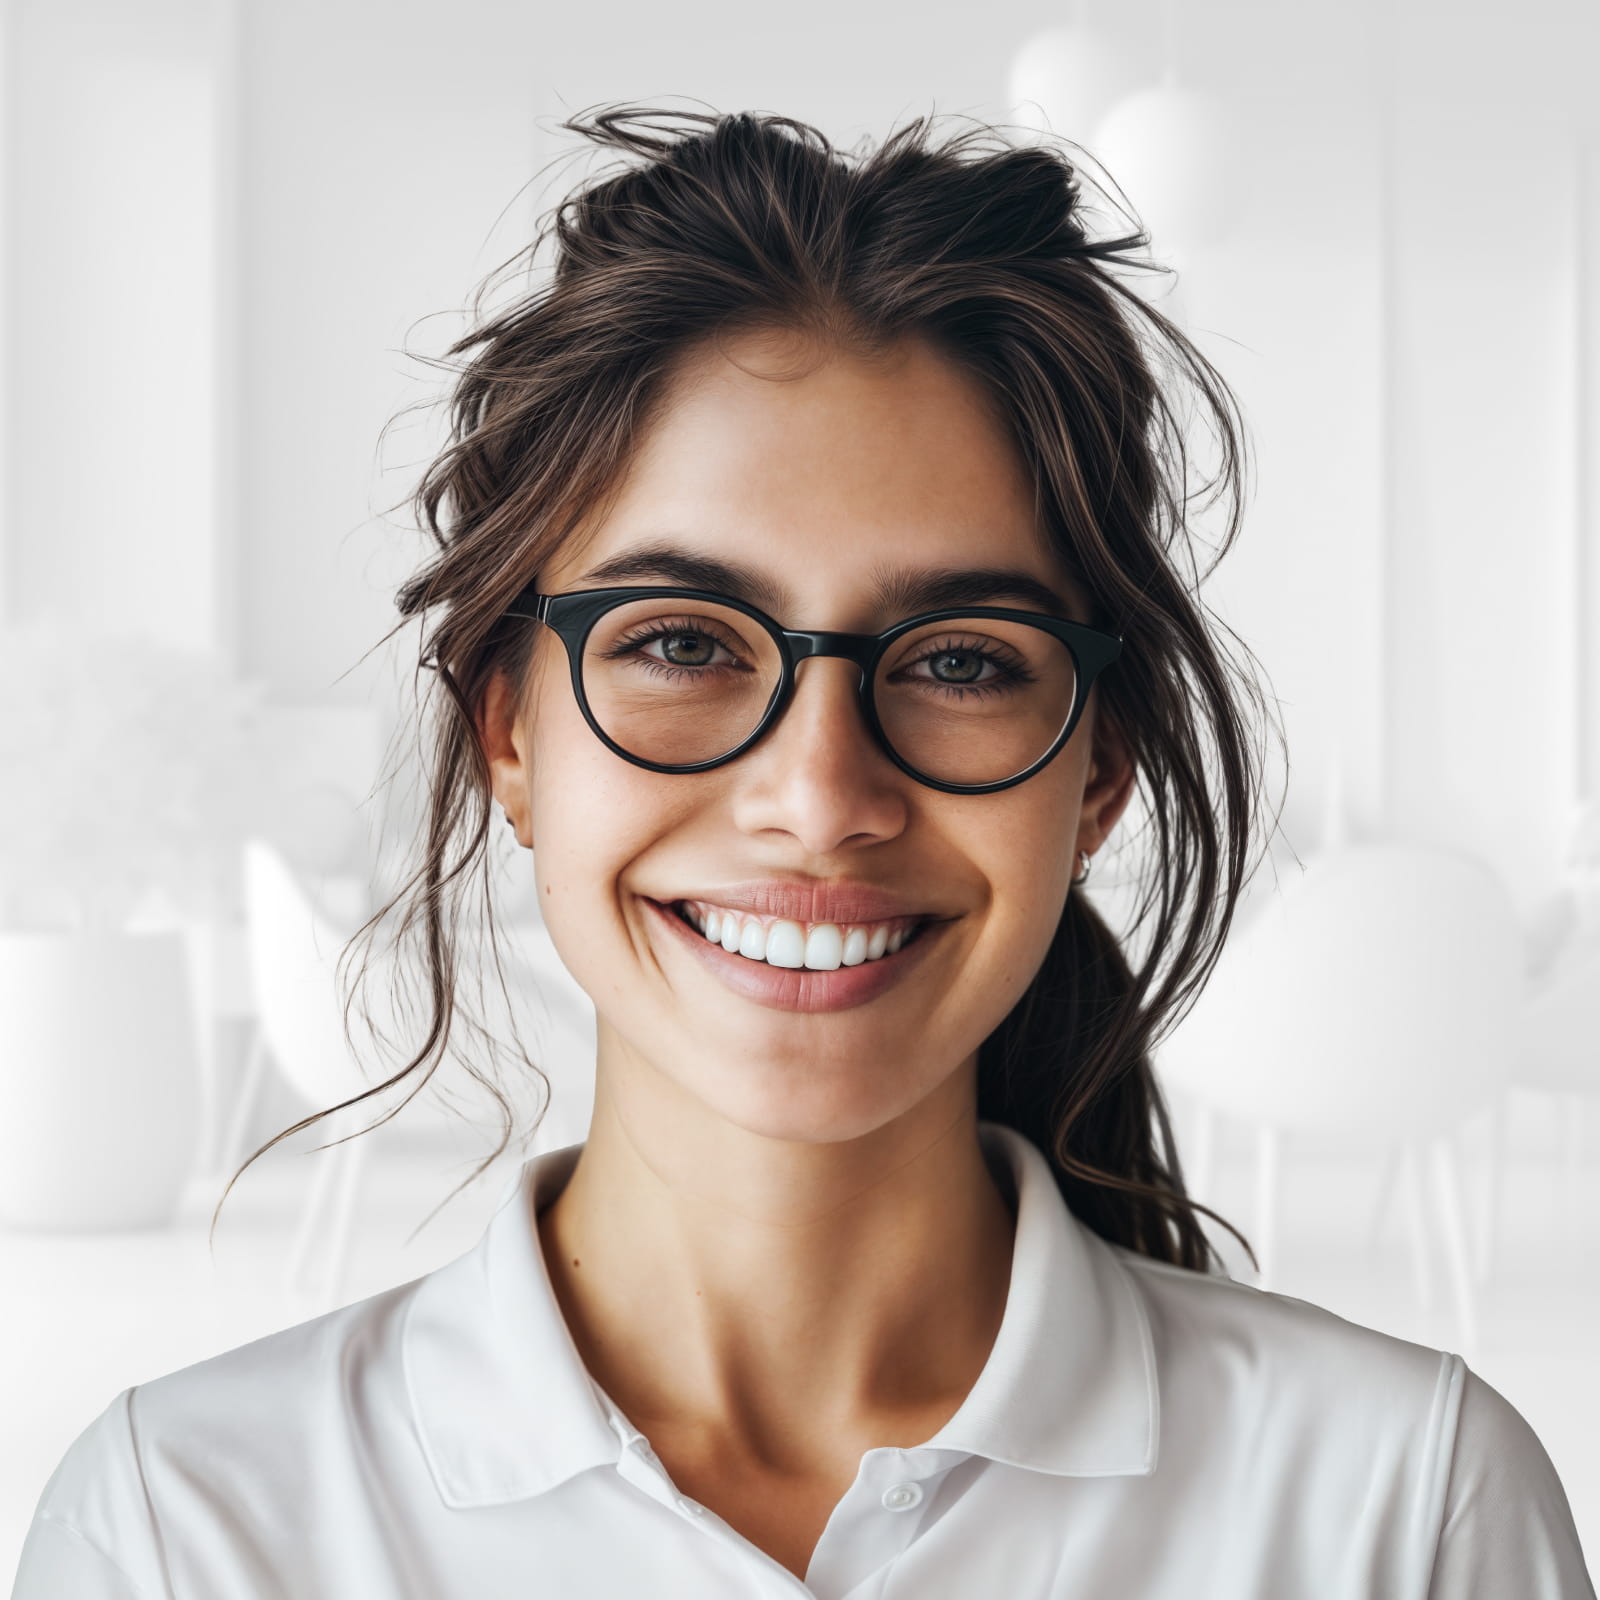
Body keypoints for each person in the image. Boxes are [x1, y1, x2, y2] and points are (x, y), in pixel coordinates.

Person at [13, 105, 1593, 1599]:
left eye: (963, 659)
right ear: (509, 734)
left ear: (1098, 765)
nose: (820, 794)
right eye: (684, 641)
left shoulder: (1407, 1508)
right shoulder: (189, 1531)